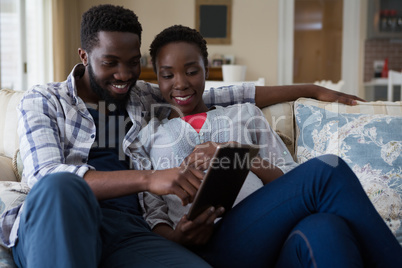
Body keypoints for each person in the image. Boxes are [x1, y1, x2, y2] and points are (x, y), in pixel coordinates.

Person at [0, 4, 363, 268]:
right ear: (84, 55)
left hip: (128, 232)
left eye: (132, 62)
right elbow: (44, 176)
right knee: (63, 187)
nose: (124, 74)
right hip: (65, 217)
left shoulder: (140, 95)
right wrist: (149, 178)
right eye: (111, 62)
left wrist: (314, 89)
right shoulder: (44, 101)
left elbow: (223, 95)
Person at [128, 25, 402, 268]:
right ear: (157, 79)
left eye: (191, 71)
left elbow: (288, 178)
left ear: (206, 69)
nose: (181, 83)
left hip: (271, 234)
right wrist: (179, 237)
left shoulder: (244, 114)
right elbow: (153, 216)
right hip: (208, 247)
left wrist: (234, 155)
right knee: (327, 170)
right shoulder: (148, 135)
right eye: (167, 75)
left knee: (325, 228)